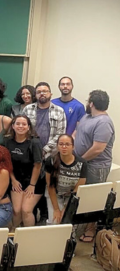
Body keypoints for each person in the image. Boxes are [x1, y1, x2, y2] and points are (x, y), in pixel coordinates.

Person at [74, 90, 115, 242]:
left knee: (92, 199)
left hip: (95, 166)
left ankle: (90, 230)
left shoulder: (103, 122)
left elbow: (98, 148)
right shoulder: (87, 116)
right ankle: (81, 226)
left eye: (88, 100)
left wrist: (80, 161)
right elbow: (77, 132)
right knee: (81, 197)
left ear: (91, 103)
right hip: (83, 163)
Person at [5, 115, 44, 227]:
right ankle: (15, 238)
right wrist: (13, 180)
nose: (20, 126)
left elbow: (37, 165)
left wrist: (32, 185)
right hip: (17, 180)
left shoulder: (34, 142)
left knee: (26, 210)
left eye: (24, 124)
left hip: (34, 181)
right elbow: (7, 164)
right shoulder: (8, 141)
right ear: (13, 126)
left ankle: (28, 238)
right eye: (18, 124)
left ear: (28, 127)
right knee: (17, 211)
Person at [45, 134, 87, 225]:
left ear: (73, 147)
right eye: (61, 144)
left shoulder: (82, 163)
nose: (64, 147)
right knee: (55, 222)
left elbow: (78, 189)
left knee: (67, 221)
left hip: (71, 196)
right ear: (57, 146)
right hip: (55, 194)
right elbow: (50, 186)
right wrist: (56, 209)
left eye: (67, 144)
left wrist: (66, 209)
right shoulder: (50, 161)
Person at [22, 82, 66, 159]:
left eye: (45, 91)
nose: (42, 94)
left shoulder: (59, 111)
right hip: (29, 152)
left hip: (50, 154)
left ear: (50, 94)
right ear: (35, 95)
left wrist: (45, 150)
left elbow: (60, 134)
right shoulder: (27, 109)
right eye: (39, 92)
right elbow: (22, 129)